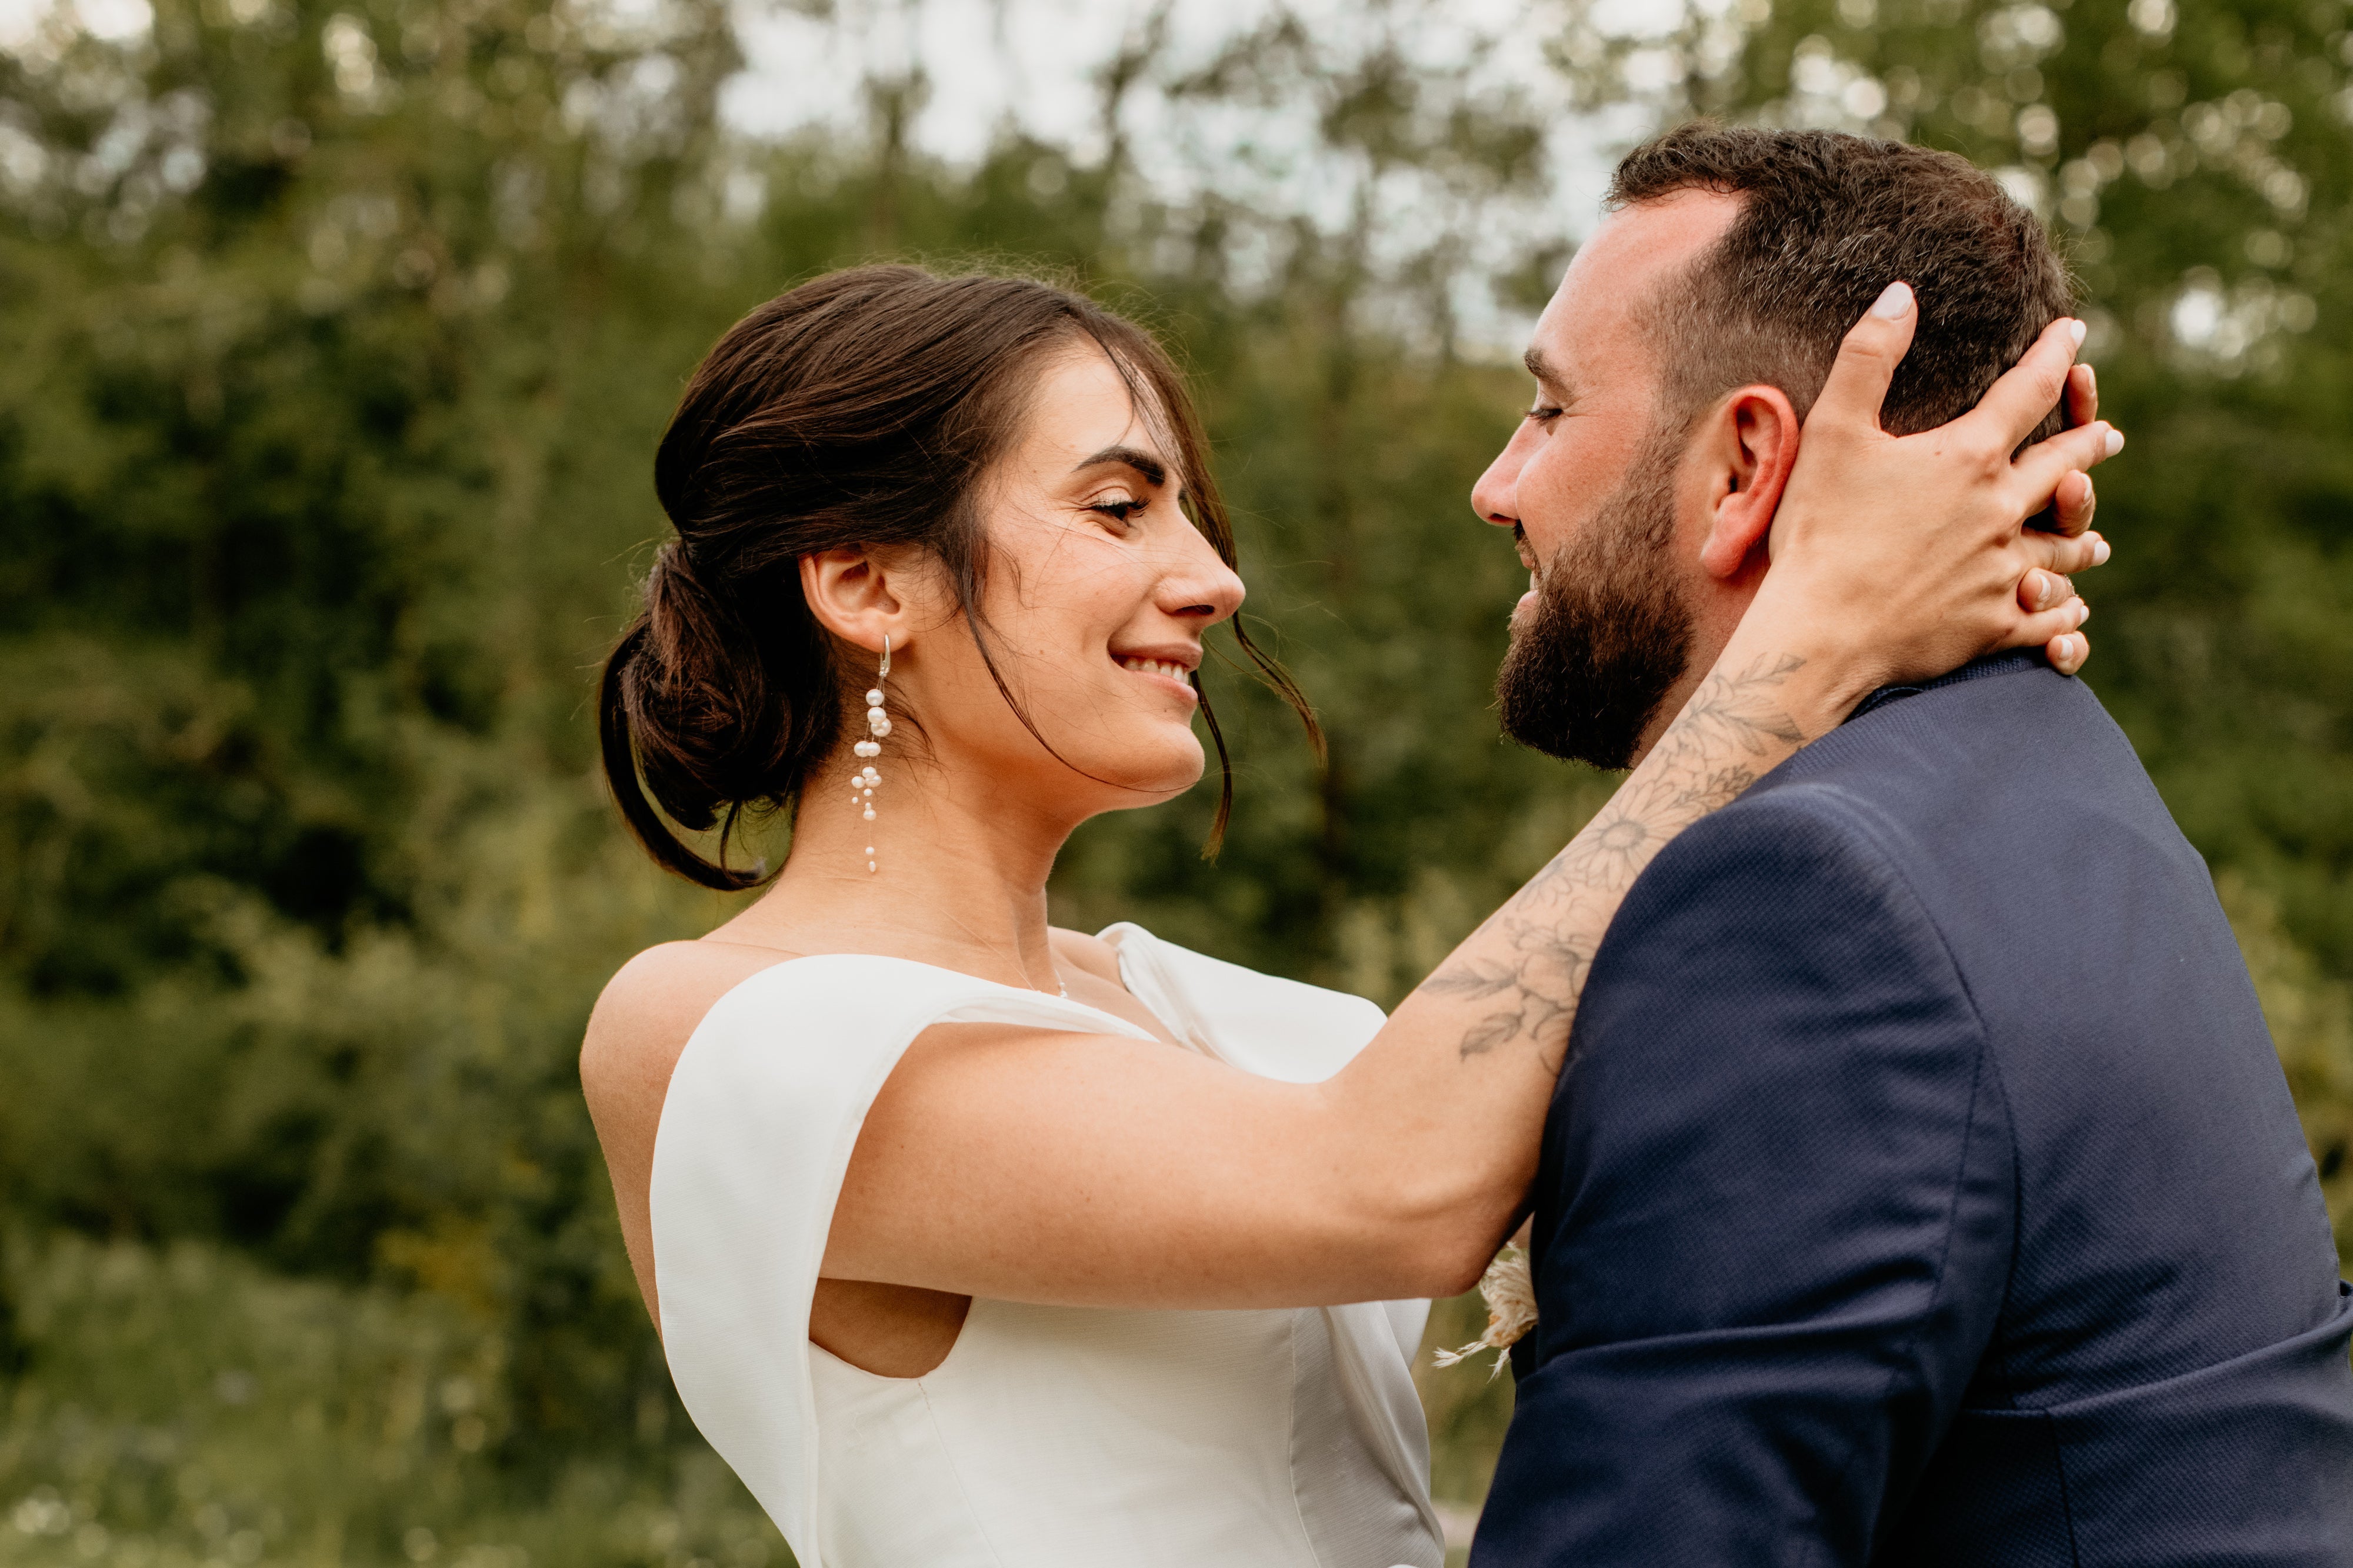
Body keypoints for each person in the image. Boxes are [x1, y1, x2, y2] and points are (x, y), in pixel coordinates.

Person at [579, 242, 2114, 1566]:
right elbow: (1391, 1185)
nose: (1213, 578)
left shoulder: (1198, 1006)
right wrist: (1817, 631)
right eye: (1117, 507)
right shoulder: (713, 1034)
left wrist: (1927, 597)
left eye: (1189, 513)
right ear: (865, 585)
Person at [1466, 125, 2353, 1567]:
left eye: (1548, 410)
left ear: (1743, 465)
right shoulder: (2057, 792)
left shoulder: (1804, 899)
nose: (1497, 486)